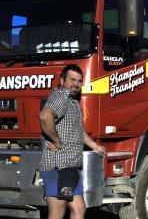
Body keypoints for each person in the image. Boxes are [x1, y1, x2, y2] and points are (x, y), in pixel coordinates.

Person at [39, 64, 106, 219]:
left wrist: (94, 145)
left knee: (79, 208)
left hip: (70, 167)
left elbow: (77, 130)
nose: (76, 84)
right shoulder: (61, 96)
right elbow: (45, 116)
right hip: (59, 166)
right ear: (62, 80)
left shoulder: (72, 101)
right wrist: (56, 141)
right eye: (72, 80)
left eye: (79, 81)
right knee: (58, 212)